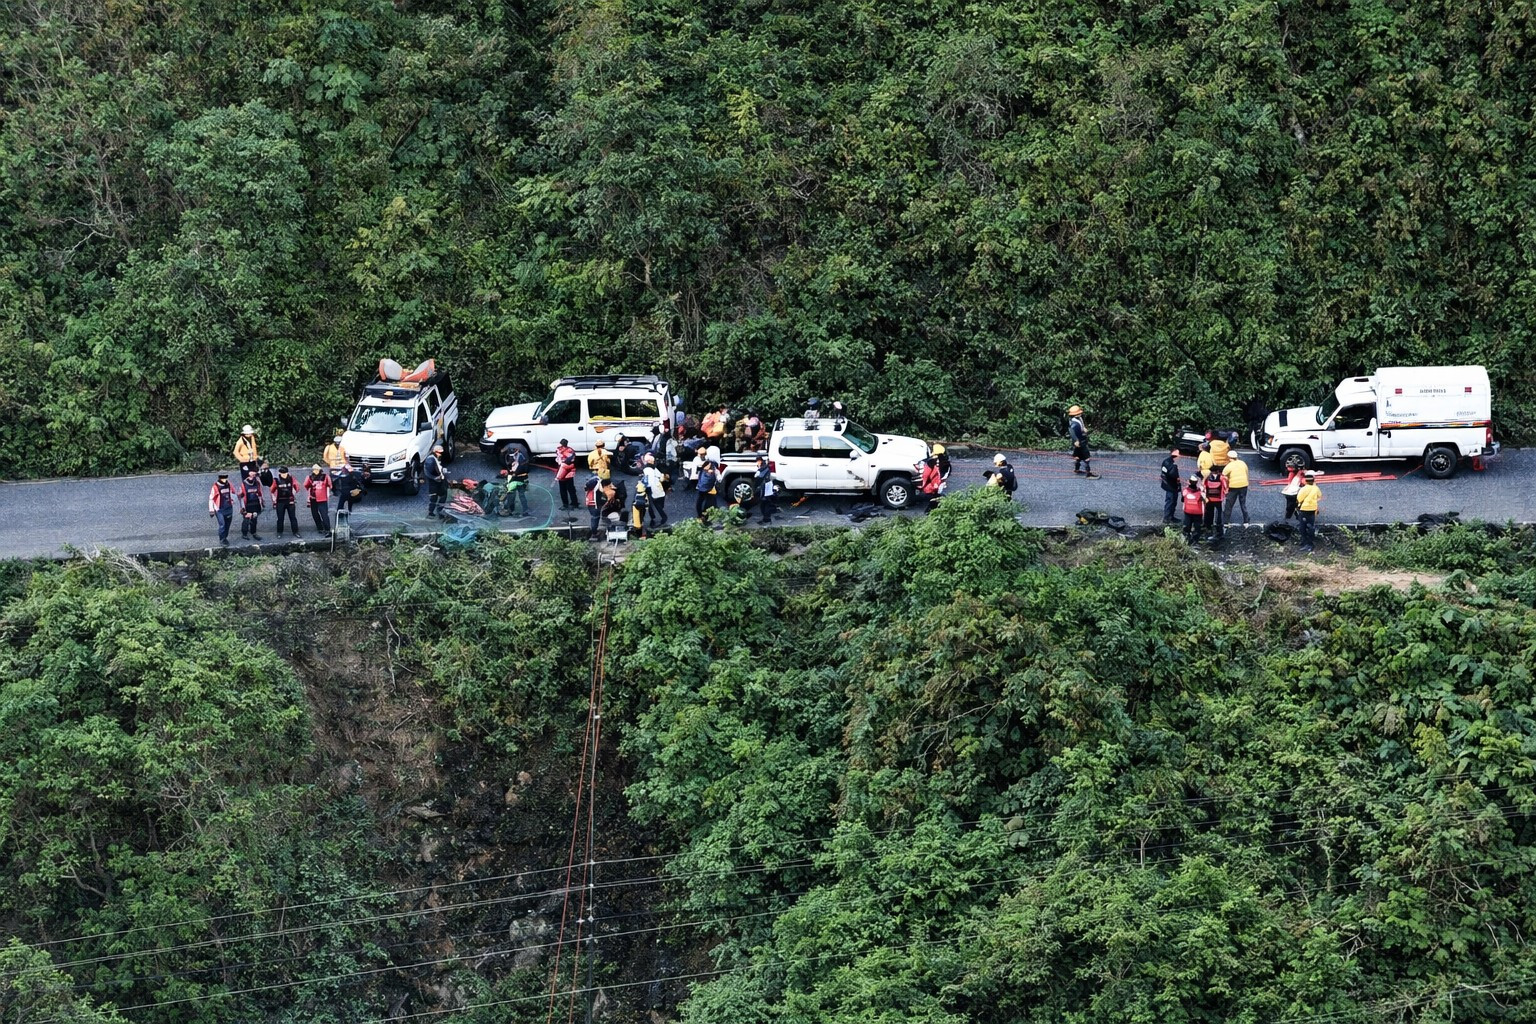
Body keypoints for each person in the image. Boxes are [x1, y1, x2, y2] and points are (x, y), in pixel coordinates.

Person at [1067, 406, 1098, 478]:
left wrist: (1083, 428)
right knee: (1086, 458)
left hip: (1080, 440)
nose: (1080, 413)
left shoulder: (1079, 419)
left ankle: (1077, 470)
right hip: (1080, 441)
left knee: (1078, 456)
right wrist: (1076, 440)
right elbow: (1071, 431)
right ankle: (1088, 473)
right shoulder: (1074, 423)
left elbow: (1081, 426)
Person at [1222, 453, 1251, 526]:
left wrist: (1225, 487)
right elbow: (1247, 473)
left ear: (1229, 458)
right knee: (1243, 503)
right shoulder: (1243, 463)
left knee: (1229, 504)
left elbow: (1223, 476)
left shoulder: (1229, 466)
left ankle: (1226, 522)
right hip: (1244, 485)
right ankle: (1246, 521)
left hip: (1233, 486)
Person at [208, 471, 236, 546]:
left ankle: (225, 537)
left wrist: (233, 500)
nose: (224, 479)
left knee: (227, 524)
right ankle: (222, 539)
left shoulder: (229, 484)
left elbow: (233, 493)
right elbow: (211, 498)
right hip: (219, 509)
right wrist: (211, 510)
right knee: (222, 525)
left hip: (228, 508)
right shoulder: (215, 487)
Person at [1201, 463, 1228, 542]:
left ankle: (1208, 527)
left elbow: (1203, 486)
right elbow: (1226, 488)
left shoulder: (1207, 478)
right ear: (1218, 471)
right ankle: (1219, 530)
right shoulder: (1222, 478)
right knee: (1219, 514)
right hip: (1218, 499)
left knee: (1208, 513)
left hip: (1209, 499)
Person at [271, 466, 301, 536]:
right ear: (279, 473)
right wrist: (274, 499)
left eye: (285, 473)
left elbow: (297, 487)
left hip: (290, 501)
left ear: (287, 473)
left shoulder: (291, 478)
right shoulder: (276, 480)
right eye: (282, 473)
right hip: (280, 501)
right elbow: (272, 490)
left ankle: (295, 532)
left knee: (293, 517)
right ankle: (279, 532)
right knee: (280, 518)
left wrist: (293, 494)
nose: (283, 475)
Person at [1296, 471, 1322, 552]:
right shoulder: (1316, 488)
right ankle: (1310, 543)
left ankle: (1306, 543)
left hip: (1304, 510)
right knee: (1310, 526)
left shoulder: (1303, 489)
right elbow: (1320, 496)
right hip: (1313, 509)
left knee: (1303, 527)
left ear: (1306, 481)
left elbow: (1299, 499)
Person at [305, 464, 333, 537]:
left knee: (324, 515)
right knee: (315, 514)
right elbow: (306, 485)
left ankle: (328, 530)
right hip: (313, 498)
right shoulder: (309, 477)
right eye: (314, 469)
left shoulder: (325, 477)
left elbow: (330, 485)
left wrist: (328, 493)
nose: (315, 471)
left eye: (317, 469)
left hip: (322, 499)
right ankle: (320, 527)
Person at [641, 454, 669, 526]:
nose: (654, 462)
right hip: (654, 489)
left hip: (653, 489)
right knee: (655, 504)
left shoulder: (648, 469)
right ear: (649, 461)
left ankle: (655, 518)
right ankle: (660, 517)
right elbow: (657, 479)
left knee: (652, 504)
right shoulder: (650, 469)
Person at [238, 469, 265, 541]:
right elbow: (240, 497)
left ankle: (253, 532)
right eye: (251, 475)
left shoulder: (257, 483)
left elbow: (260, 494)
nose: (253, 477)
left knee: (254, 519)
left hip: (255, 504)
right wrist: (243, 508)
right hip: (247, 505)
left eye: (254, 475)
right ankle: (244, 534)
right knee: (246, 520)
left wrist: (262, 503)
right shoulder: (243, 484)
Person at [505, 444, 531, 516]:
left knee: (520, 495)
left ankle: (525, 511)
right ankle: (511, 510)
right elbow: (509, 466)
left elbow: (524, 468)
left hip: (519, 479)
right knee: (512, 495)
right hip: (514, 479)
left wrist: (515, 473)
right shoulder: (511, 456)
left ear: (517, 450)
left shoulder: (522, 458)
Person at [424, 445, 448, 518]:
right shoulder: (430, 460)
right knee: (435, 497)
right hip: (434, 482)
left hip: (438, 481)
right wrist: (434, 478)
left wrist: (442, 470)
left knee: (438, 496)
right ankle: (435, 513)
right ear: (435, 452)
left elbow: (438, 467)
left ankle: (433, 513)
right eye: (439, 452)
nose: (440, 454)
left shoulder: (435, 458)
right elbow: (427, 472)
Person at [555, 439, 579, 510]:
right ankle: (574, 503)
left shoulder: (559, 450)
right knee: (571, 488)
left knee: (563, 489)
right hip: (569, 472)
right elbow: (573, 459)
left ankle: (565, 504)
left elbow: (559, 460)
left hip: (562, 472)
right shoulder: (571, 450)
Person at [1181, 473, 1206, 543]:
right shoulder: (1201, 492)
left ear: (1189, 482)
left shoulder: (1185, 491)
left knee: (1187, 526)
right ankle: (1195, 541)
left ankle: (1186, 539)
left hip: (1188, 512)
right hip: (1198, 513)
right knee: (1197, 527)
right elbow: (1205, 501)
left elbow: (1182, 500)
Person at [1159, 449, 1181, 524]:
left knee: (1173, 501)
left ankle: (1171, 516)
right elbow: (1172, 475)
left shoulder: (1167, 461)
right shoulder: (1170, 463)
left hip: (1170, 485)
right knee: (1170, 501)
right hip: (1171, 485)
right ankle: (1167, 518)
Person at [755, 456, 778, 524]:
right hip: (765, 486)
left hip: (766, 486)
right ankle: (766, 518)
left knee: (765, 502)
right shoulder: (762, 466)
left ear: (760, 461)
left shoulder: (764, 467)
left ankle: (767, 518)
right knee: (765, 502)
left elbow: (760, 476)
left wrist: (758, 471)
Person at [583, 472, 602, 539]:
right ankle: (594, 533)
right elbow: (601, 490)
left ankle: (594, 532)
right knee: (595, 518)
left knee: (593, 517)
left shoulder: (588, 485)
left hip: (589, 502)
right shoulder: (597, 482)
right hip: (594, 503)